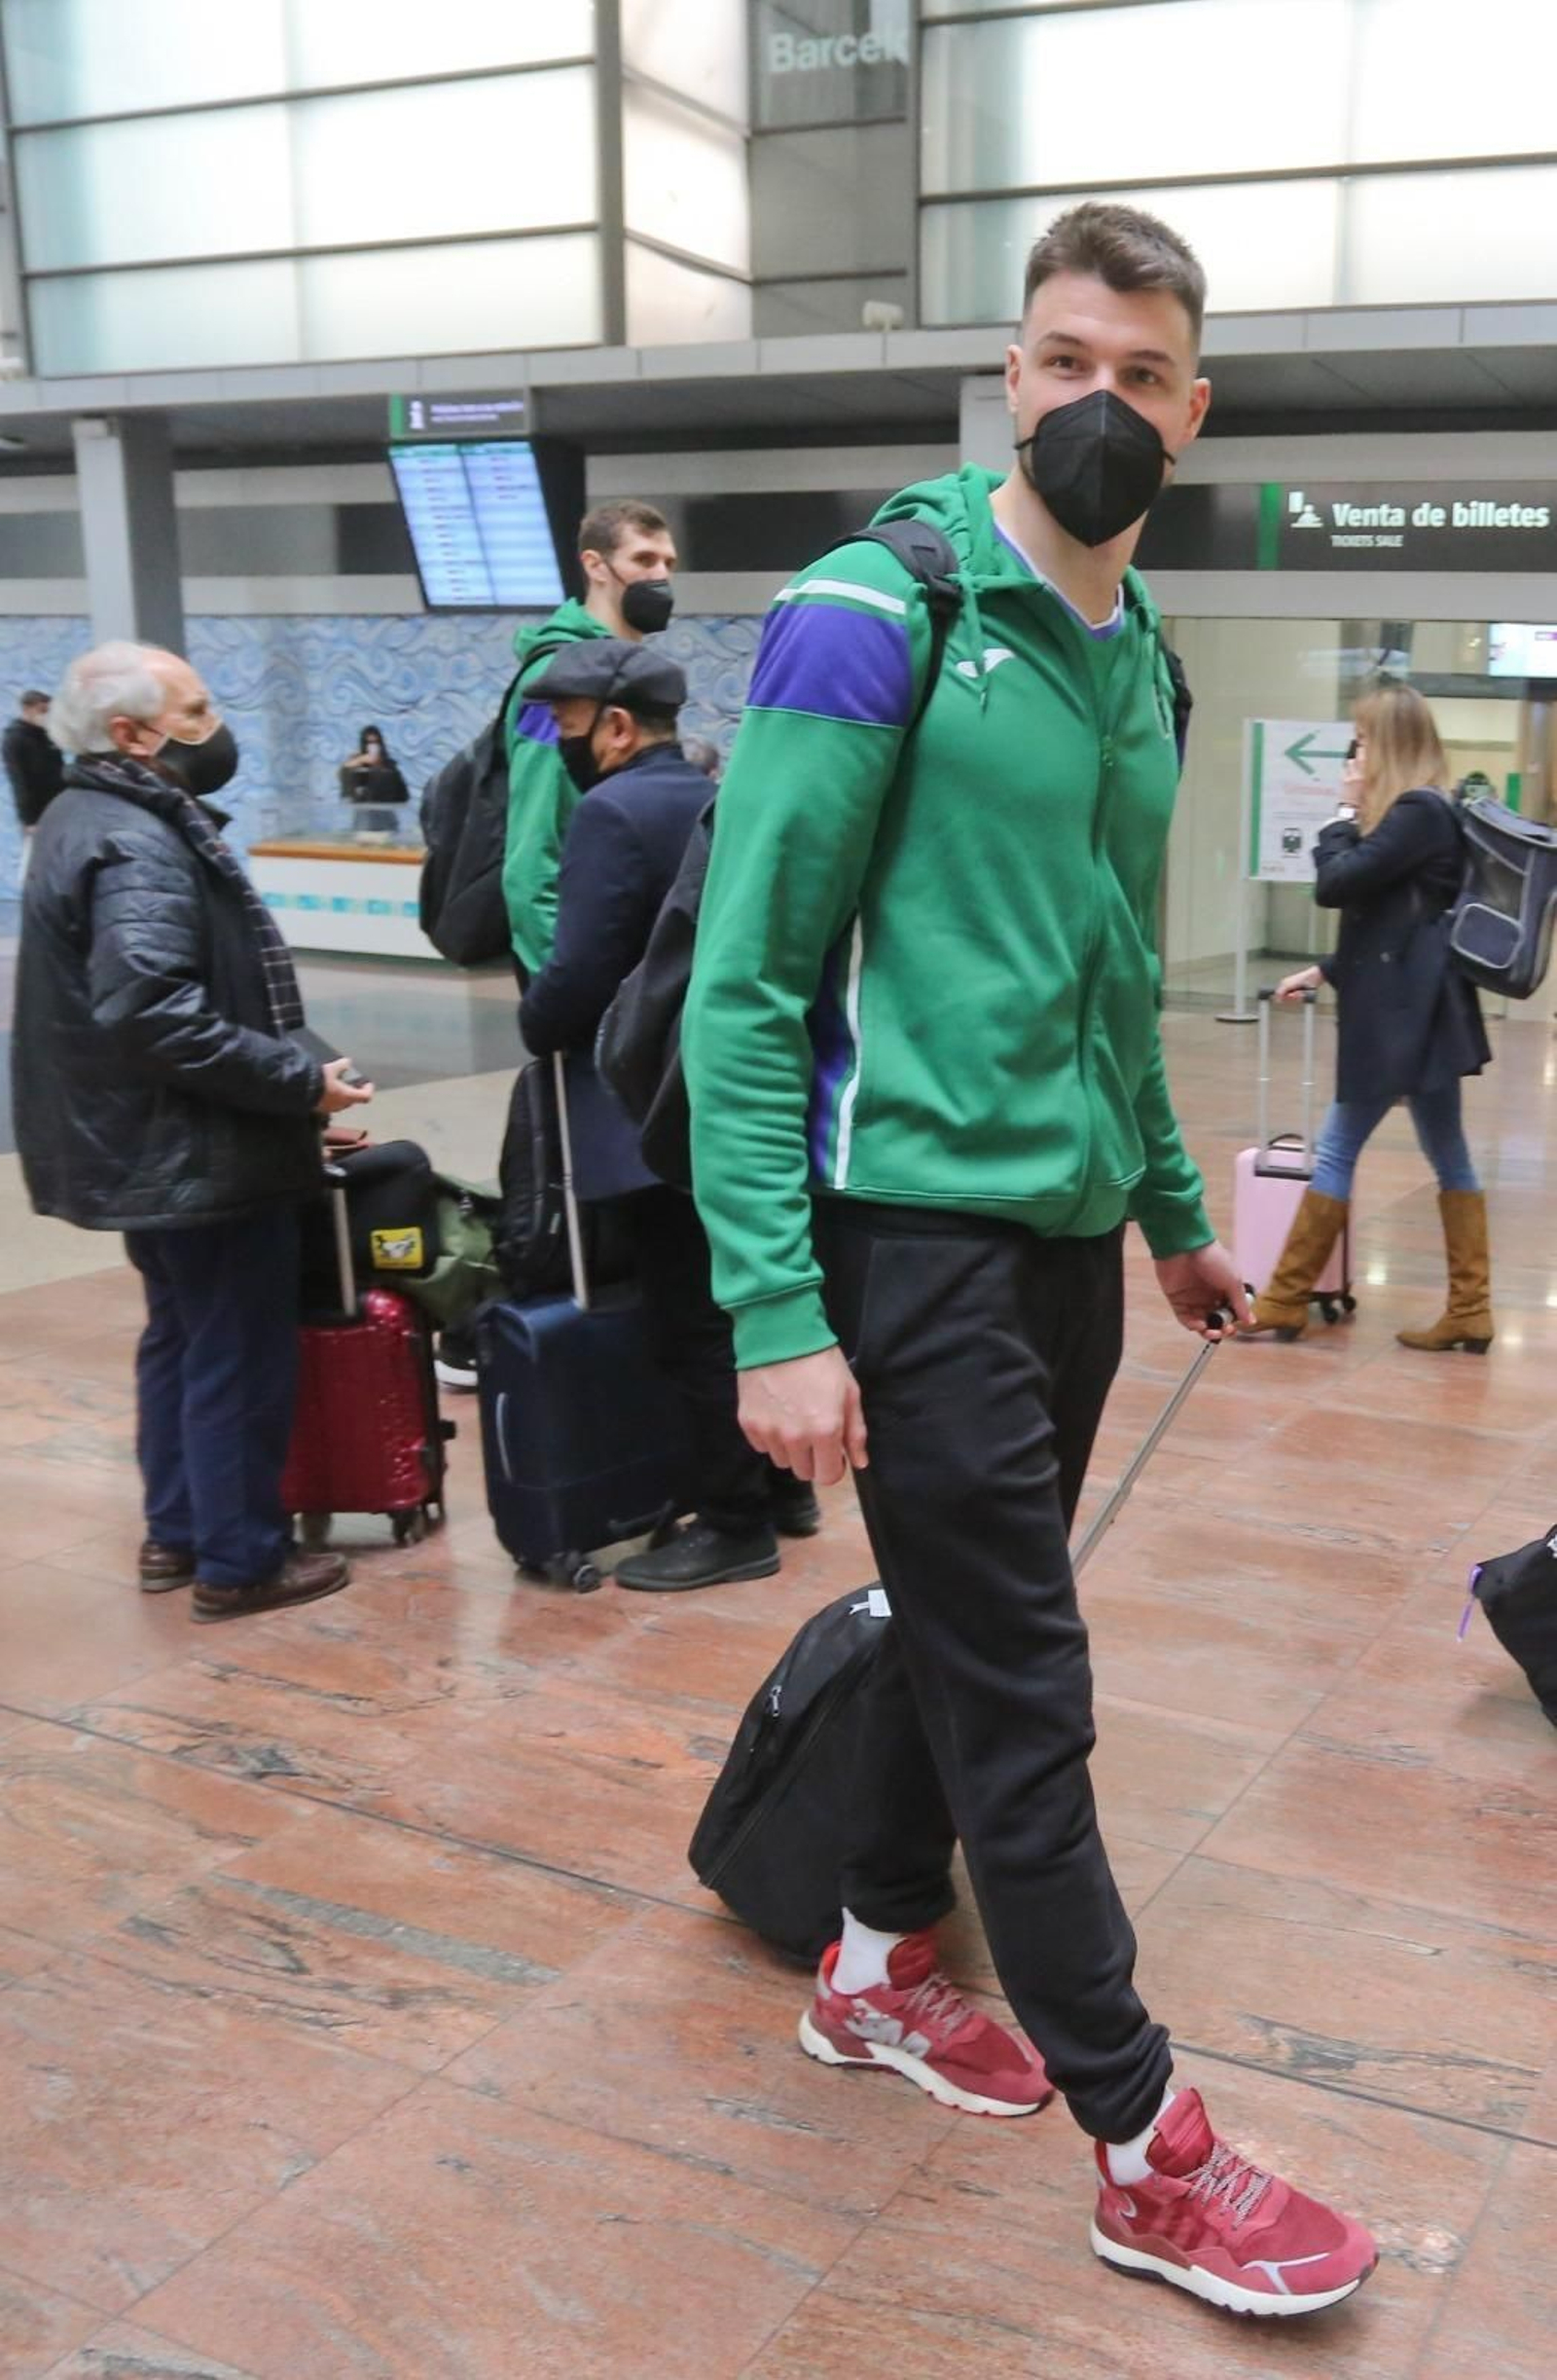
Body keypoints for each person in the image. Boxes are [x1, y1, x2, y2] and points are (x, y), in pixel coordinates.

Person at [683, 201, 1377, 2318]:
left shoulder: (1134, 645)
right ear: (1010, 374)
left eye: (1140, 373)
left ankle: (882, 1956)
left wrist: (1167, 1210)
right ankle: (1142, 2141)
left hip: (1067, 1246)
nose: (1100, 402)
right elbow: (743, 983)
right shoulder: (864, 608)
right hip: (909, 1242)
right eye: (1063, 360)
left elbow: (1094, 975)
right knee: (1026, 1685)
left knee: (977, 1620)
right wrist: (776, 1305)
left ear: (1192, 407)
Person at [14, 641, 374, 1621]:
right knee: (235, 1352)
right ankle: (239, 1558)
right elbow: (154, 1012)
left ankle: (176, 1533)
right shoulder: (137, 843)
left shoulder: (84, 817)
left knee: (179, 1339)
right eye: (197, 708)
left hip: (147, 1147)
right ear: (133, 735)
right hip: (193, 1152)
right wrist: (300, 1088)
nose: (216, 726)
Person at [518, 639, 819, 1588]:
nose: (560, 742)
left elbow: (578, 976)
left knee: (685, 1321)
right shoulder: (712, 796)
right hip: (742, 1096)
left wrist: (535, 1018)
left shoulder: (611, 811)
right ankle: (785, 1490)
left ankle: (730, 1521)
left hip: (648, 1112)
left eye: (566, 725)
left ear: (614, 726)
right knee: (738, 1300)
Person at [1251, 680, 1493, 1349]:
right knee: (1449, 1155)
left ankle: (1284, 1298)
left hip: (1400, 1022)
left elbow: (1336, 883)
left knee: (1336, 1147)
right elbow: (1390, 919)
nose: (1353, 753)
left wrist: (1339, 809)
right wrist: (1324, 970)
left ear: (1387, 744)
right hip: (1424, 1014)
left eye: (1361, 739)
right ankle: (1471, 1310)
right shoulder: (1424, 813)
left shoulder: (1417, 811)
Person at [503, 498, 676, 982]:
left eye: (668, 563)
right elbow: (532, 853)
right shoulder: (557, 682)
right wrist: (558, 987)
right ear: (595, 566)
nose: (660, 575)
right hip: (579, 968)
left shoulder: (631, 676)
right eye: (643, 560)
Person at [4, 688, 65, 859]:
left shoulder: (48, 735)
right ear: (27, 709)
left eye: (49, 710)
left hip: (58, 806)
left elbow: (59, 768)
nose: (47, 715)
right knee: (38, 859)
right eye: (42, 710)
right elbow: (19, 782)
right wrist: (29, 820)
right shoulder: (14, 740)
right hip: (36, 814)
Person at [339, 724, 409, 808]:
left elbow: (403, 795)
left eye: (376, 743)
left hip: (386, 815)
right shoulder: (358, 768)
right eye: (369, 743)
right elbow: (345, 778)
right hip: (363, 816)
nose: (373, 746)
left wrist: (380, 766)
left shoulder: (390, 767)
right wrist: (360, 760)